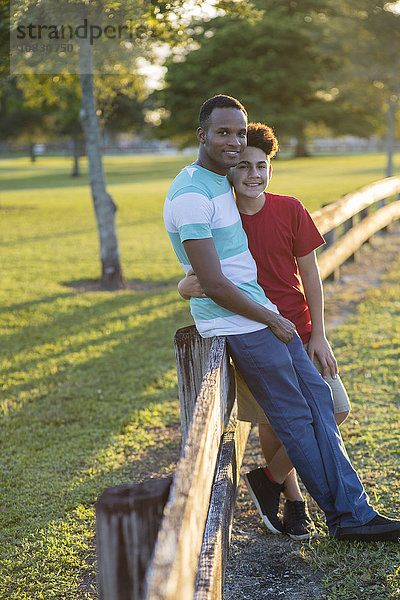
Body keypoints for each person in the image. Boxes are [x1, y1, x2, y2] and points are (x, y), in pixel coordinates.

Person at [163, 93, 400, 541]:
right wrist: (269, 319)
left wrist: (281, 320)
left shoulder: (218, 183)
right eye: (224, 133)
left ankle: (355, 510)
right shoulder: (192, 194)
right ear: (202, 135)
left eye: (239, 131)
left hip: (271, 319)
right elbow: (211, 282)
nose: (234, 142)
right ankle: (346, 518)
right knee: (296, 421)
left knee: (323, 410)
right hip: (245, 326)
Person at [177, 122, 351, 540]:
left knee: (334, 407)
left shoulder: (290, 208)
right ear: (231, 172)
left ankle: (269, 479)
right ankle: (294, 502)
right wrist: (183, 286)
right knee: (276, 423)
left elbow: (311, 275)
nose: (254, 174)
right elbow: (202, 272)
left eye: (263, 165)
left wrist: (319, 334)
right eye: (245, 166)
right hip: (254, 330)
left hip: (299, 330)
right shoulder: (221, 216)